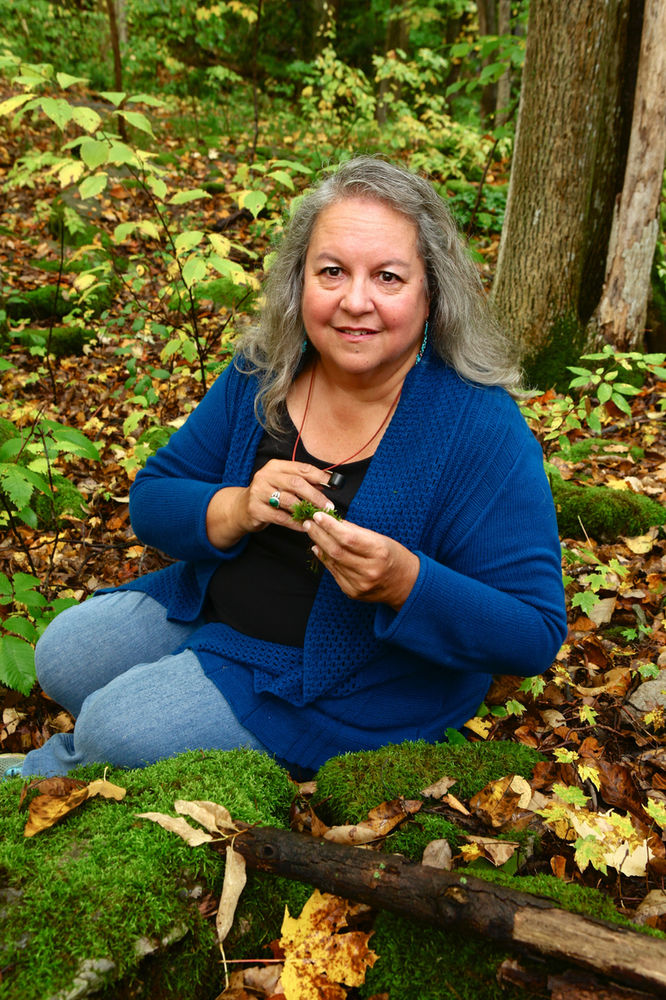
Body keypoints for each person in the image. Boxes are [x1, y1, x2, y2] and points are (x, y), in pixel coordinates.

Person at [2, 156, 567, 782]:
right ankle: (177, 700)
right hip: (214, 615)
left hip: (350, 679)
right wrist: (239, 506)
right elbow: (154, 498)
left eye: (387, 277)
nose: (356, 301)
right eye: (332, 272)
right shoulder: (263, 372)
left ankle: (36, 779)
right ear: (300, 282)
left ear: (432, 293)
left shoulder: (480, 427)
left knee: (116, 727)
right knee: (63, 654)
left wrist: (405, 581)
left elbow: (534, 632)